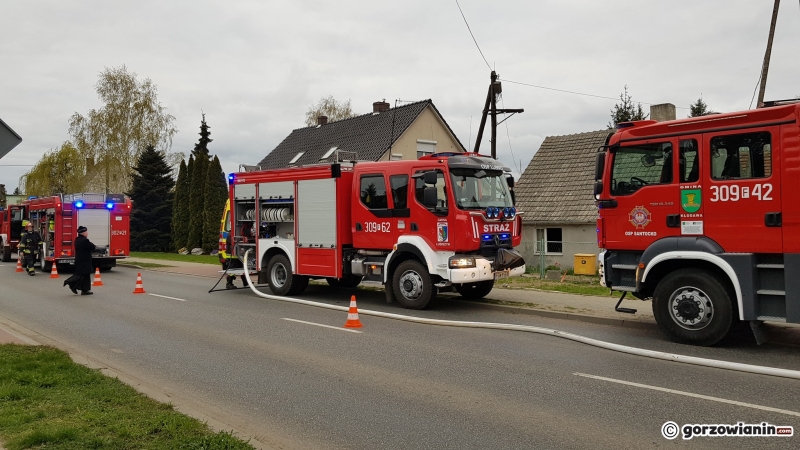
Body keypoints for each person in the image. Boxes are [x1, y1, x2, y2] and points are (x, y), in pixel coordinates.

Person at [64, 226, 96, 295]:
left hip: (80, 260)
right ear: (83, 233)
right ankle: (70, 282)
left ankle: (85, 290)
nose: (87, 233)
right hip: (84, 261)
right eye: (86, 232)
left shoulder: (77, 239)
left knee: (84, 275)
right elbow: (92, 247)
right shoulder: (84, 240)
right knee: (81, 275)